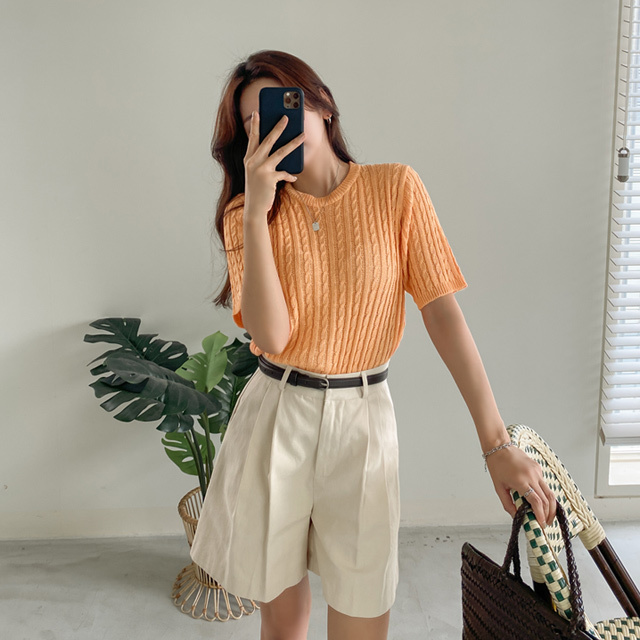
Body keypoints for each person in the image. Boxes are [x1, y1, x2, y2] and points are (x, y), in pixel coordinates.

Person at [189, 49, 557, 640]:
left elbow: (443, 316)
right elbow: (273, 336)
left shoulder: (396, 189)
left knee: (363, 615)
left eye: (282, 108)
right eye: (254, 124)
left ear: (322, 106)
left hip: (363, 421)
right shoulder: (246, 215)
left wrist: (496, 445)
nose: (271, 130)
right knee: (283, 621)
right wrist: (257, 212)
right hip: (277, 417)